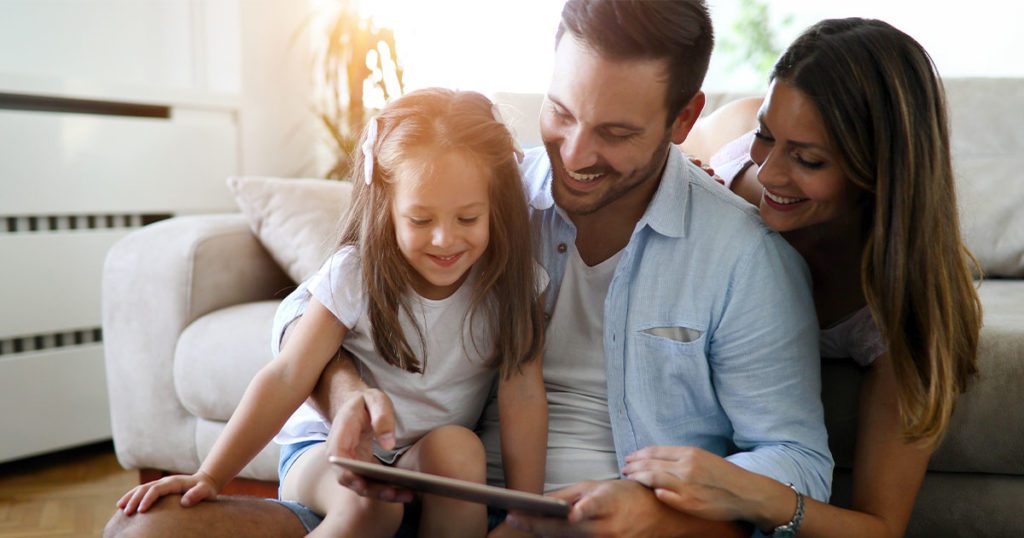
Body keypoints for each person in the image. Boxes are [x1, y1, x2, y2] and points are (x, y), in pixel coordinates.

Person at [104, 1, 833, 536]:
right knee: (144, 532)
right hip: (392, 491)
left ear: (682, 120)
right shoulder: (484, 190)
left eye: (615, 132)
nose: (574, 155)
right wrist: (347, 384)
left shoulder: (743, 257)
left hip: (585, 523)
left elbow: (797, 458)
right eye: (560, 112)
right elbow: (313, 311)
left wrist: (667, 505)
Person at [114, 88, 550, 537]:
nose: (445, 240)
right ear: (388, 209)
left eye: (468, 219)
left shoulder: (515, 285)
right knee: (370, 502)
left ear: (495, 207)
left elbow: (523, 396)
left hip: (426, 459)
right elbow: (288, 375)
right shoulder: (356, 272)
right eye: (421, 220)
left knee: (461, 451)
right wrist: (209, 475)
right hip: (328, 453)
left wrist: (525, 515)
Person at [624, 18, 983, 537]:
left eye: (808, 159)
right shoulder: (736, 177)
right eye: (768, 137)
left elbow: (880, 527)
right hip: (720, 137)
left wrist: (756, 494)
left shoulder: (902, 310)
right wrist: (674, 175)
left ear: (878, 169)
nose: (770, 172)